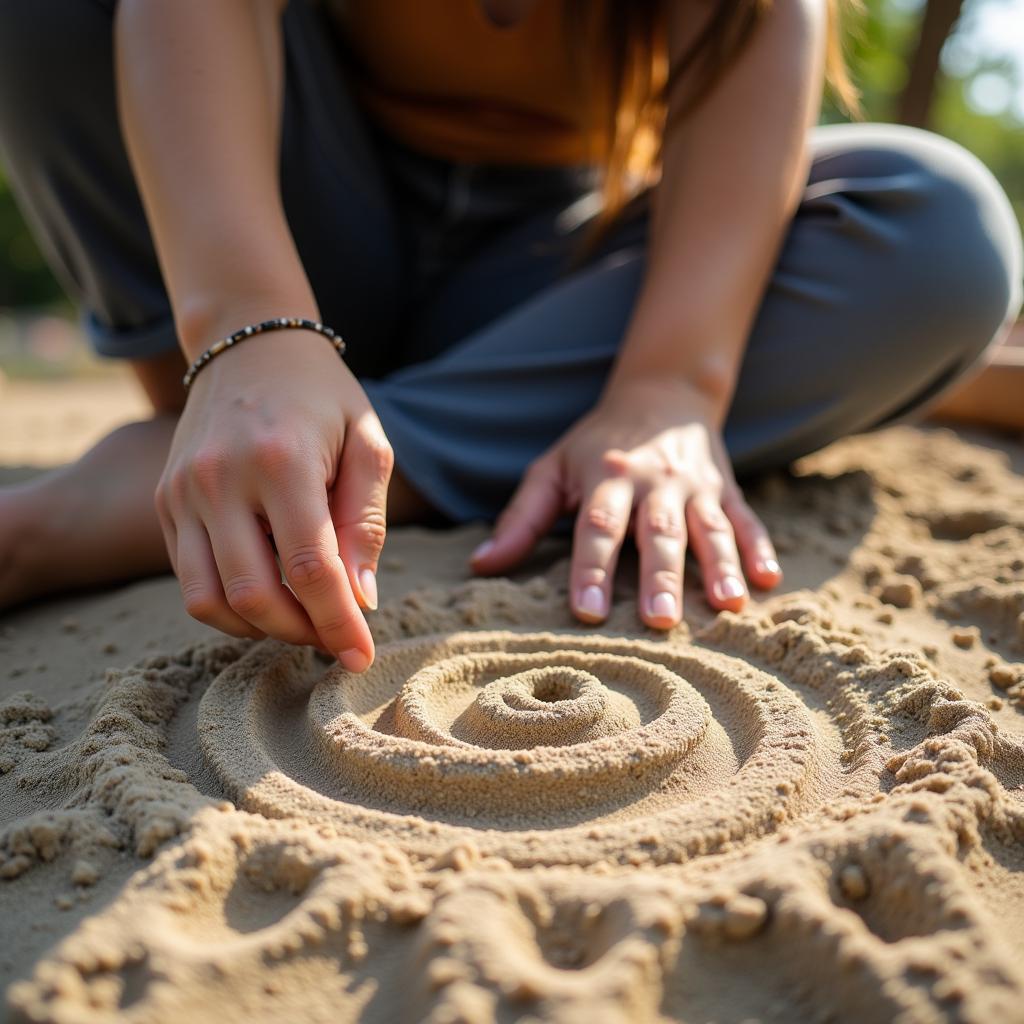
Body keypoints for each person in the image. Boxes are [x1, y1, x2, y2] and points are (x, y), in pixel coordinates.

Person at [0, 0, 1020, 673]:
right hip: (279, 210)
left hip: (544, 266)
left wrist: (670, 387)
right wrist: (245, 327)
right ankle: (279, 419)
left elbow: (762, 27)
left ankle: (310, 461)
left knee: (934, 231)